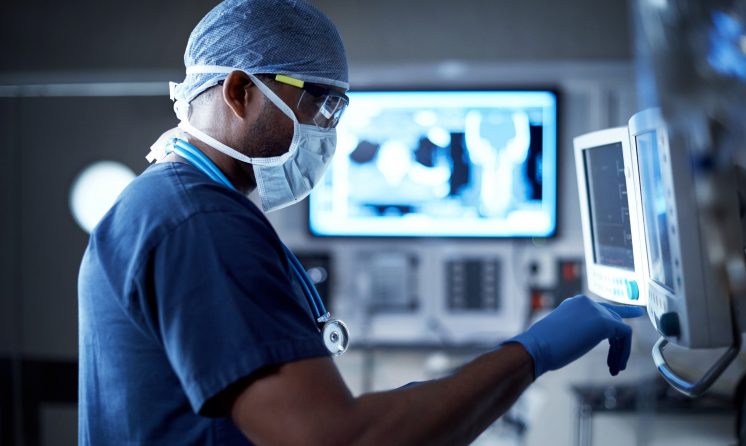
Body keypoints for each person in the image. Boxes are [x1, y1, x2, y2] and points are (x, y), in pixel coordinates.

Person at [77, 0, 645, 444]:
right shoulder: (200, 222)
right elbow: (339, 438)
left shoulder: (165, 205)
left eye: (339, 111)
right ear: (240, 90)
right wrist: (534, 352)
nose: (330, 132)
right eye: (321, 104)